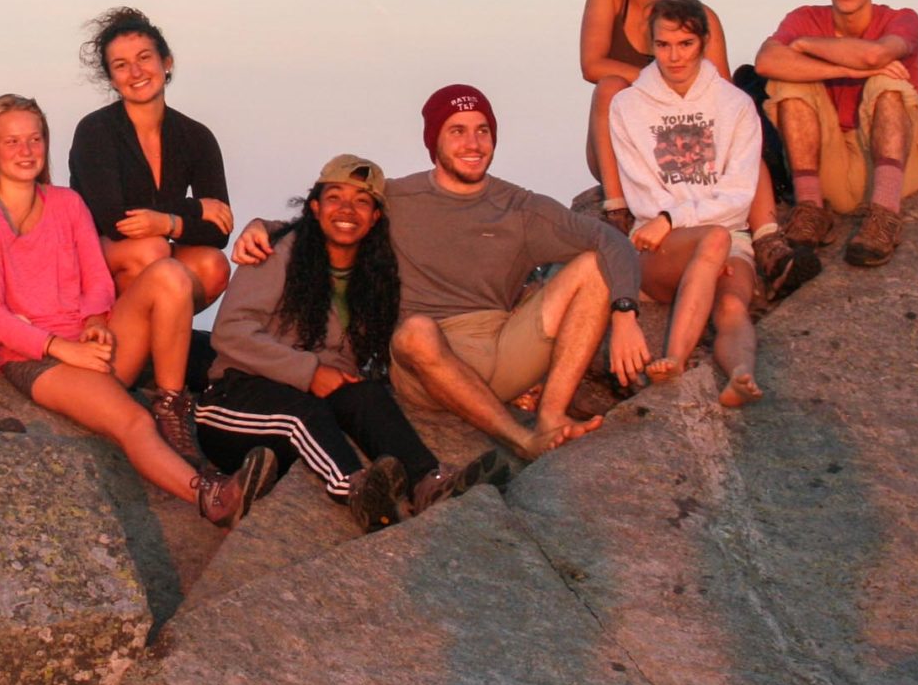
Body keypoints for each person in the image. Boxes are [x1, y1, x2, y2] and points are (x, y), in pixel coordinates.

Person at [233, 84, 644, 460]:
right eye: (458, 131)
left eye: (483, 131)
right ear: (435, 142)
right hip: (425, 363)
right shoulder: (397, 198)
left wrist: (625, 312)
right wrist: (263, 228)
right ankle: (519, 439)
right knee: (415, 332)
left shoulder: (521, 207)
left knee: (591, 265)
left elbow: (612, 242)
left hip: (504, 345)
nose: (473, 143)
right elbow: (334, 216)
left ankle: (551, 415)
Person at [0, 95, 274, 527]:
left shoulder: (68, 204)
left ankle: (171, 405)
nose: (26, 150)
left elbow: (97, 279)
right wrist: (61, 348)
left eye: (34, 139)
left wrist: (93, 322)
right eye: (12, 141)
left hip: (98, 342)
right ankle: (211, 496)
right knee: (131, 419)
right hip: (41, 359)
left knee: (170, 274)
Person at [200, 155, 510, 532]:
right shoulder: (277, 251)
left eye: (362, 201)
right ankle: (358, 490)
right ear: (314, 207)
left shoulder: (374, 277)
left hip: (311, 402)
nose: (348, 209)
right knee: (302, 414)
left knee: (367, 397)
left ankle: (429, 482)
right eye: (335, 197)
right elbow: (230, 332)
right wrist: (310, 373)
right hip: (233, 403)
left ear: (376, 216)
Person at [579, 0, 799, 288]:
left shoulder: (699, 16)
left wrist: (681, 95)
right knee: (610, 87)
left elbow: (723, 98)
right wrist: (660, 83)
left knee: (739, 128)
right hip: (630, 144)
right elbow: (592, 63)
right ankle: (617, 211)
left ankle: (767, 237)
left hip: (689, 142)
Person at [65, 7, 227, 458]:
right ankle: (168, 395)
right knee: (151, 248)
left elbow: (219, 230)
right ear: (111, 78)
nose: (136, 72)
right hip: (101, 260)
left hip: (151, 261)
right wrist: (185, 212)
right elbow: (110, 215)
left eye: (145, 58)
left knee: (212, 266)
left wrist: (172, 223)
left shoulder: (195, 136)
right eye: (121, 65)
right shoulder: (96, 131)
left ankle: (153, 359)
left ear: (166, 61)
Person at [609, 0, 766, 407]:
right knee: (713, 239)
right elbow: (643, 196)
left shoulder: (736, 106)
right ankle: (675, 357)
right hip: (659, 245)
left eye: (685, 44)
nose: (674, 57)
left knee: (732, 305)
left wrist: (677, 217)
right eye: (663, 45)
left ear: (704, 42)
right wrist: (677, 225)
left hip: (724, 237)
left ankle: (740, 374)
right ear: (652, 44)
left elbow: (739, 196)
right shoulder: (627, 106)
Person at [754, 0, 918, 268]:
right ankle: (810, 208)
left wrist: (808, 46)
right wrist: (850, 69)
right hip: (835, 168)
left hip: (898, 165)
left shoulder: (903, 19)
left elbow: (877, 55)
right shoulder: (805, 17)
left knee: (888, 85)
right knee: (787, 82)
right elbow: (765, 61)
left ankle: (884, 215)